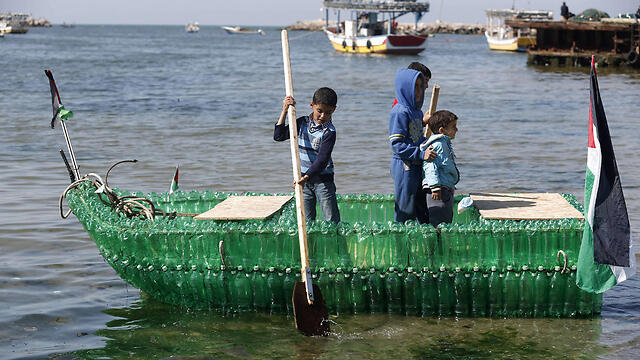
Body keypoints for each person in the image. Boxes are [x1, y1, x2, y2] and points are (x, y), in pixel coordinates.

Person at [273, 87, 340, 223]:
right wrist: (285, 109)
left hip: (323, 181)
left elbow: (322, 160)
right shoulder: (302, 123)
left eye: (327, 113)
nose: (322, 116)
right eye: (319, 111)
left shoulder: (329, 132)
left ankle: (334, 242)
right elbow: (278, 136)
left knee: (331, 220)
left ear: (333, 110)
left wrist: (306, 177)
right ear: (312, 106)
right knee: (306, 222)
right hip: (303, 180)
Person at [389, 68, 432, 223]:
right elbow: (397, 144)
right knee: (405, 209)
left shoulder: (417, 112)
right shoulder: (399, 112)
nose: (419, 90)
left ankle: (419, 242)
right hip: (404, 166)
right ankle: (401, 245)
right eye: (415, 86)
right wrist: (421, 154)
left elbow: (415, 135)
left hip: (415, 165)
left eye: (421, 86)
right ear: (404, 87)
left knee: (420, 206)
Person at [420, 110, 460, 227]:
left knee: (446, 219)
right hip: (439, 189)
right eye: (453, 127)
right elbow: (430, 165)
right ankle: (437, 244)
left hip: (445, 187)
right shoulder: (438, 145)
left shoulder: (444, 143)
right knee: (439, 221)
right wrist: (435, 187)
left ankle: (441, 242)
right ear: (442, 130)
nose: (456, 130)